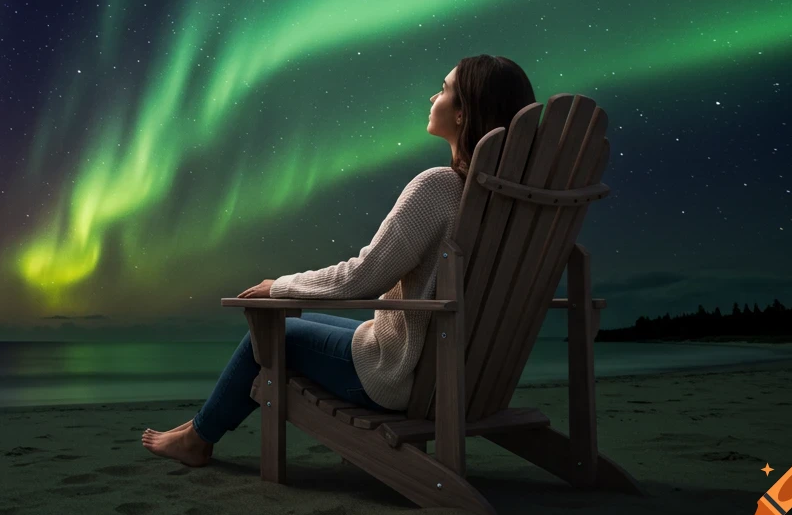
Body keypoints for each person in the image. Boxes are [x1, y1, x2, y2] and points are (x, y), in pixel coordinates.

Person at [141, 55, 537, 467]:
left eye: (444, 88)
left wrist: (279, 286)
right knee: (297, 325)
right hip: (470, 377)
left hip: (406, 378)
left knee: (272, 331)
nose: (432, 96)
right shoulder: (510, 207)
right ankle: (197, 429)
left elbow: (362, 278)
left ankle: (198, 438)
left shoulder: (438, 188)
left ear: (462, 112)